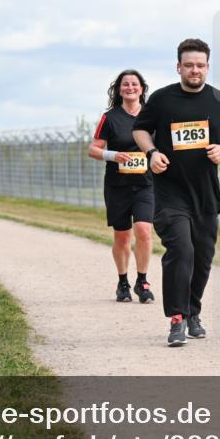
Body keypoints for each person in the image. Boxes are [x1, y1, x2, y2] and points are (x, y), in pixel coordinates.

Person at [132, 38, 220, 346]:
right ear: (179, 67)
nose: (194, 70)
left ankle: (193, 312)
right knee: (181, 251)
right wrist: (152, 153)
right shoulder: (161, 99)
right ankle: (176, 318)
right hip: (170, 192)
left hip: (206, 194)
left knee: (202, 258)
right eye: (189, 65)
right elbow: (140, 129)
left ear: (207, 67)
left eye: (200, 65)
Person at [89, 69, 156, 304]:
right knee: (122, 236)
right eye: (125, 84)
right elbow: (93, 149)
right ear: (119, 89)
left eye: (134, 84)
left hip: (146, 184)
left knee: (144, 231)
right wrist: (113, 155)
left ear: (142, 88)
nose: (130, 88)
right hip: (118, 185)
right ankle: (123, 282)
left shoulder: (151, 115)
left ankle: (143, 281)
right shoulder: (110, 118)